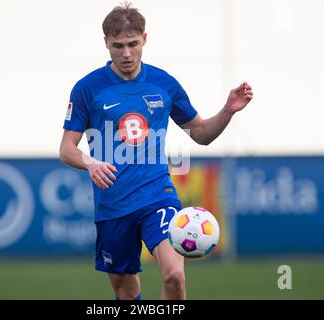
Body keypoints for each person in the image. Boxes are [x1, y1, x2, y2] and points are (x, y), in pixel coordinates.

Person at [59, 2, 253, 300]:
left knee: (174, 275)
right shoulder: (88, 88)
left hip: (157, 197)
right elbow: (67, 149)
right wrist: (91, 163)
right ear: (106, 44)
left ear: (145, 39)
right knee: (127, 291)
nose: (126, 53)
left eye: (133, 44)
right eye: (118, 46)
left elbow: (201, 134)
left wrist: (228, 110)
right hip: (112, 207)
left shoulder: (164, 84)